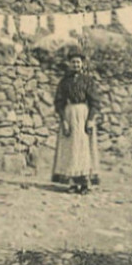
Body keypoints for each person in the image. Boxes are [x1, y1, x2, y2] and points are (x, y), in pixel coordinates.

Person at [52, 48, 100, 193]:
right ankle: (72, 183)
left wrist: (90, 119)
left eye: (78, 62)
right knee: (71, 148)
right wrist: (64, 120)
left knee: (83, 148)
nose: (76, 65)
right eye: (73, 62)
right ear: (69, 63)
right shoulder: (64, 82)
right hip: (69, 114)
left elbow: (94, 102)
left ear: (82, 64)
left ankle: (85, 183)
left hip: (83, 114)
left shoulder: (88, 81)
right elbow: (59, 102)